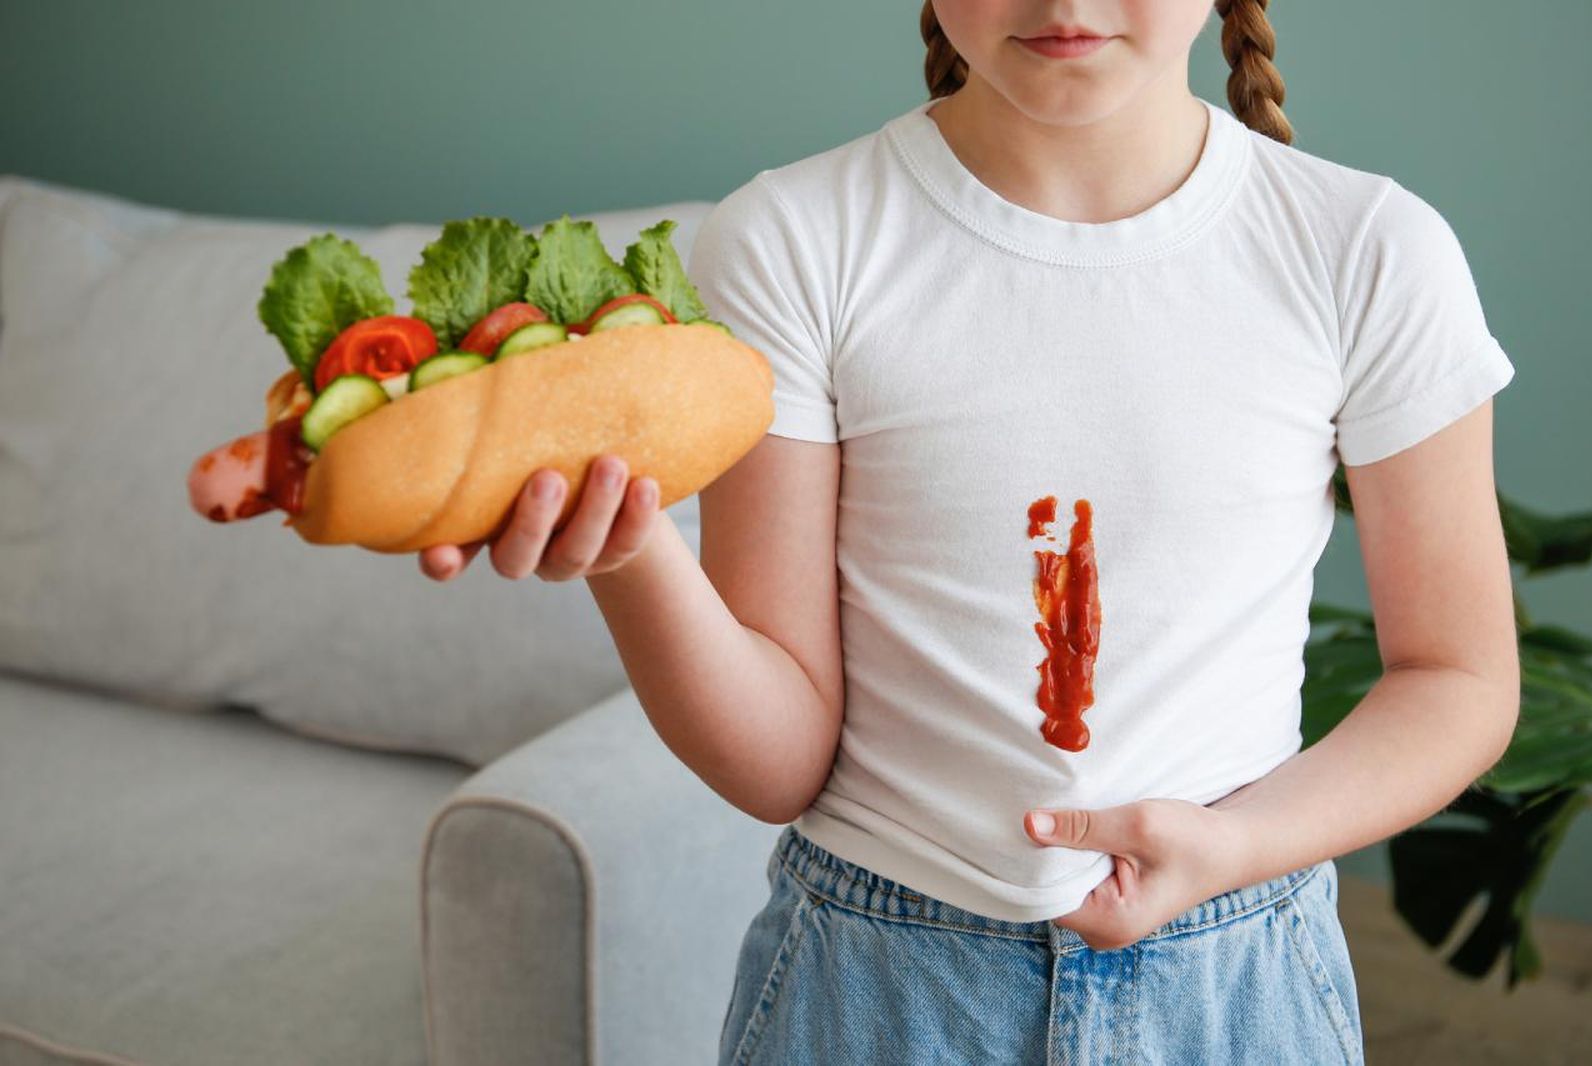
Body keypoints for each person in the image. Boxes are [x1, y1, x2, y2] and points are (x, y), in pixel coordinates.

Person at [418, 1, 1522, 1062]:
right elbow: (776, 765)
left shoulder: (1369, 249)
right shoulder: (793, 241)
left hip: (1240, 983)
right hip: (867, 988)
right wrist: (629, 551)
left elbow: (1457, 679)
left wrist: (1234, 845)